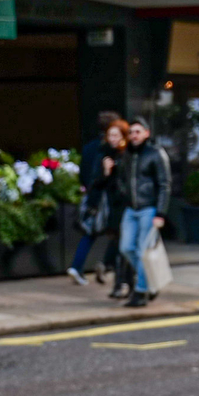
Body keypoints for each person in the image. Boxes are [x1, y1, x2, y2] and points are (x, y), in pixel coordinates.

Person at [115, 117, 171, 308]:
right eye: (131, 132)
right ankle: (150, 281)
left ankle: (141, 292)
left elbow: (165, 185)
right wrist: (124, 192)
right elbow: (122, 178)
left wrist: (160, 213)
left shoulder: (156, 154)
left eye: (138, 132)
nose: (134, 135)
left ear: (147, 133)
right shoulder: (128, 154)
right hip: (131, 209)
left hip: (149, 209)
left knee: (142, 251)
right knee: (126, 248)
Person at [68, 113, 125, 286]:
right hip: (107, 197)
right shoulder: (110, 150)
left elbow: (83, 175)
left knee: (91, 233)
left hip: (93, 196)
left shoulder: (89, 147)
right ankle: (107, 266)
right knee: (118, 233)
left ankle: (78, 267)